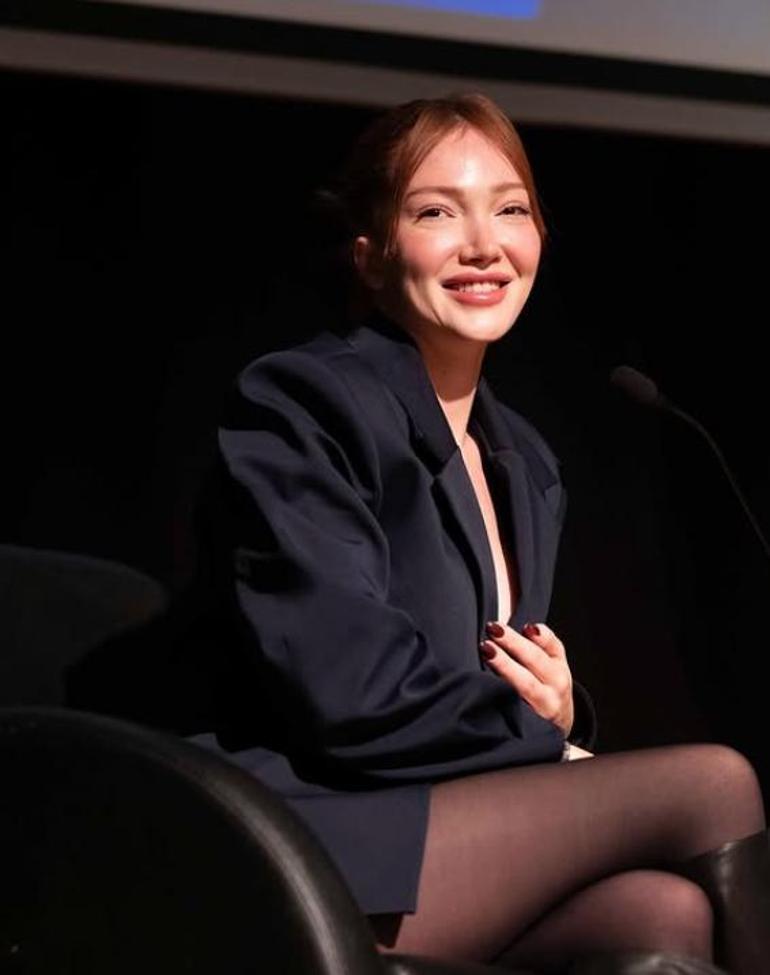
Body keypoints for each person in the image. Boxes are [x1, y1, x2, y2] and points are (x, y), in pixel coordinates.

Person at [203, 93, 769, 973]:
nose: (483, 245)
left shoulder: (524, 461)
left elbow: (485, 688)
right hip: (313, 831)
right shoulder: (304, 404)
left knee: (663, 913)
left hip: (444, 834)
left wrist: (561, 709)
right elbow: (351, 690)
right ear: (370, 253)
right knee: (716, 783)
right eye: (437, 213)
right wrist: (548, 740)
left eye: (510, 210)